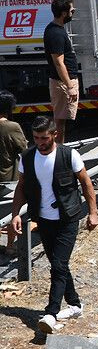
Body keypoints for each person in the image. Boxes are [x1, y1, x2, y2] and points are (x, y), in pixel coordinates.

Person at [10, 116, 98, 333]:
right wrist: (15, 215)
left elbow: (86, 183)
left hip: (68, 218)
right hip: (43, 219)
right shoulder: (28, 157)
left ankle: (50, 313)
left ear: (54, 135)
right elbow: (21, 187)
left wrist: (94, 212)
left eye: (44, 138)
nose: (40, 142)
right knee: (59, 264)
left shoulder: (69, 155)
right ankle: (75, 304)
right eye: (36, 138)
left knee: (58, 265)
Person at [43, 0, 81, 144]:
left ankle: (59, 149)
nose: (73, 13)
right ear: (64, 13)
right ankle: (57, 152)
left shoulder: (57, 29)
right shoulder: (55, 33)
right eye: (72, 11)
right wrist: (70, 86)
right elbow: (59, 63)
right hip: (62, 83)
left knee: (62, 121)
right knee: (59, 122)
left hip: (63, 82)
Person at [0, 90, 27, 258]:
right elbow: (24, 149)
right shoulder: (11, 127)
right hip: (7, 178)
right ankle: (10, 246)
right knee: (11, 211)